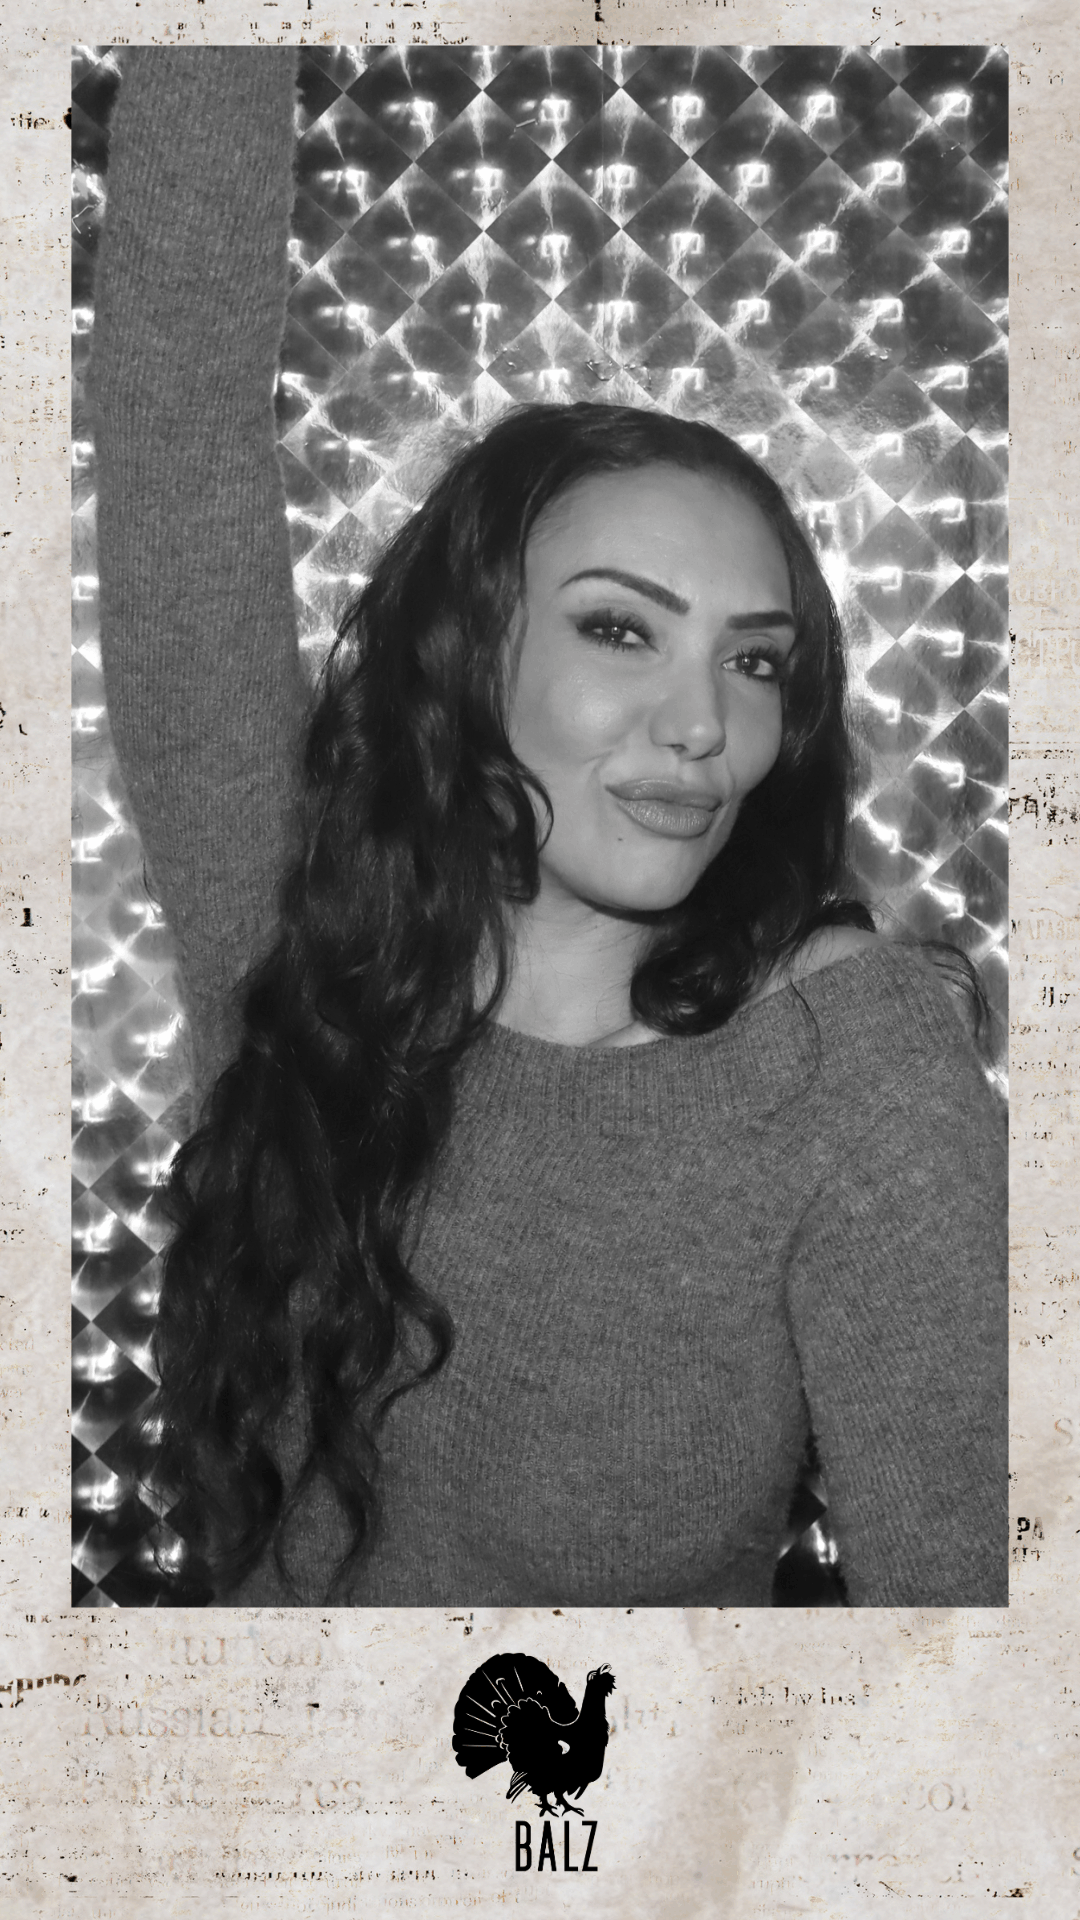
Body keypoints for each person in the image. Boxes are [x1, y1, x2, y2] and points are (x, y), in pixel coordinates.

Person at [89, 49, 1007, 1609]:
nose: (704, 722)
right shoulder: (300, 936)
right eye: (620, 631)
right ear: (469, 655)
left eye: (756, 660)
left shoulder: (851, 1071)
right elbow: (172, 411)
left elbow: (984, 1652)